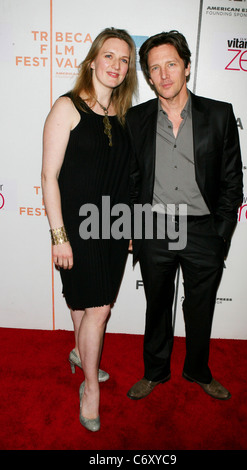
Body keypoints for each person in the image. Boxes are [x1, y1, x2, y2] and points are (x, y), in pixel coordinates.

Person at [126, 31, 243, 401]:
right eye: (154, 68)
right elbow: (130, 181)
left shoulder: (219, 114)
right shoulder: (136, 119)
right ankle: (156, 372)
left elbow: (232, 180)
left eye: (171, 64)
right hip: (155, 228)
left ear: (187, 67)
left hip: (203, 231)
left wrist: (220, 235)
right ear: (147, 76)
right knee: (157, 306)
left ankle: (197, 370)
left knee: (200, 308)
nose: (163, 75)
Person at [41, 27, 137, 431]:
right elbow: (49, 177)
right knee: (98, 309)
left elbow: (124, 180)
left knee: (85, 306)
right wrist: (59, 237)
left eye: (124, 60)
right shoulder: (67, 108)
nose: (116, 65)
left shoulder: (124, 114)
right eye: (110, 56)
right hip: (78, 230)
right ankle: (90, 390)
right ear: (92, 60)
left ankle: (81, 355)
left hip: (113, 228)